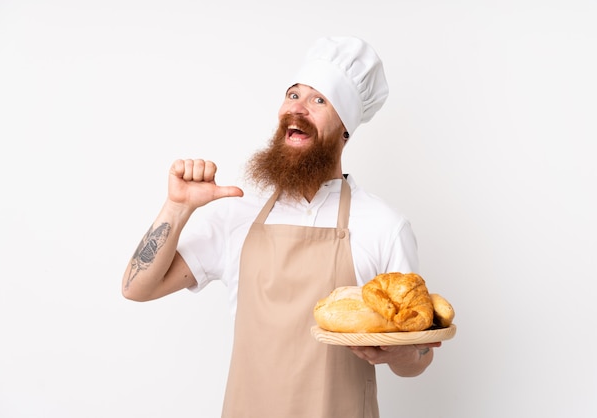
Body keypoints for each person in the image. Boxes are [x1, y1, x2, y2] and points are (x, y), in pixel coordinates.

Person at [122, 36, 441, 418]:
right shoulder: (237, 215)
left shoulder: (384, 225)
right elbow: (136, 288)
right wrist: (177, 208)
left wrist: (403, 351)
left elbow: (418, 359)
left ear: (346, 128)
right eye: (293, 95)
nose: (298, 109)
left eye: (319, 100)